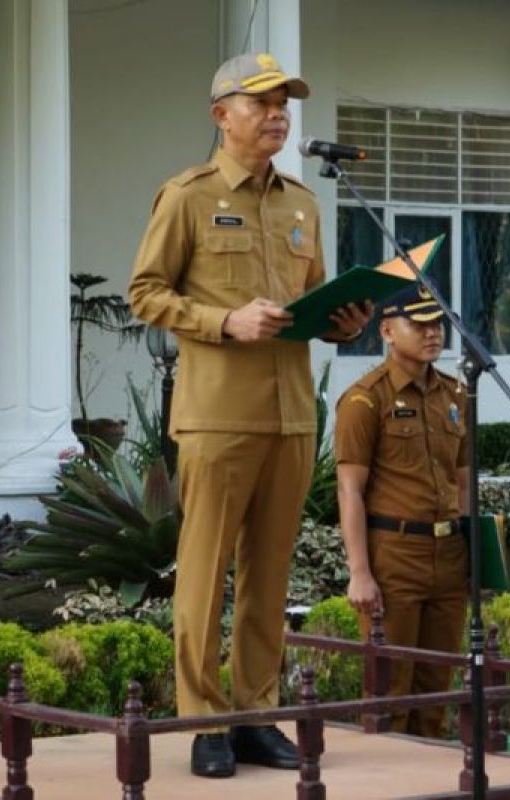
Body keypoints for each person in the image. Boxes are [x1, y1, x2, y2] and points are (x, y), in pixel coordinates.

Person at [127, 52, 371, 778]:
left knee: (270, 574)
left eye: (283, 102)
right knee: (205, 573)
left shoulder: (302, 202)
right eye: (261, 101)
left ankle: (257, 712)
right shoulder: (187, 196)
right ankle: (205, 723)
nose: (277, 114)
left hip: (292, 414)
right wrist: (224, 321)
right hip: (218, 415)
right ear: (220, 115)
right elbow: (145, 292)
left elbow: (315, 301)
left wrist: (345, 320)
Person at [333, 282, 469, 739]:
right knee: (390, 697)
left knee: (437, 695)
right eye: (419, 324)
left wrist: (474, 552)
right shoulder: (365, 399)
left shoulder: (456, 395)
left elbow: (463, 480)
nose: (433, 334)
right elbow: (350, 489)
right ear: (388, 331)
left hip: (449, 555)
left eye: (438, 324)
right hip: (396, 556)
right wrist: (359, 572)